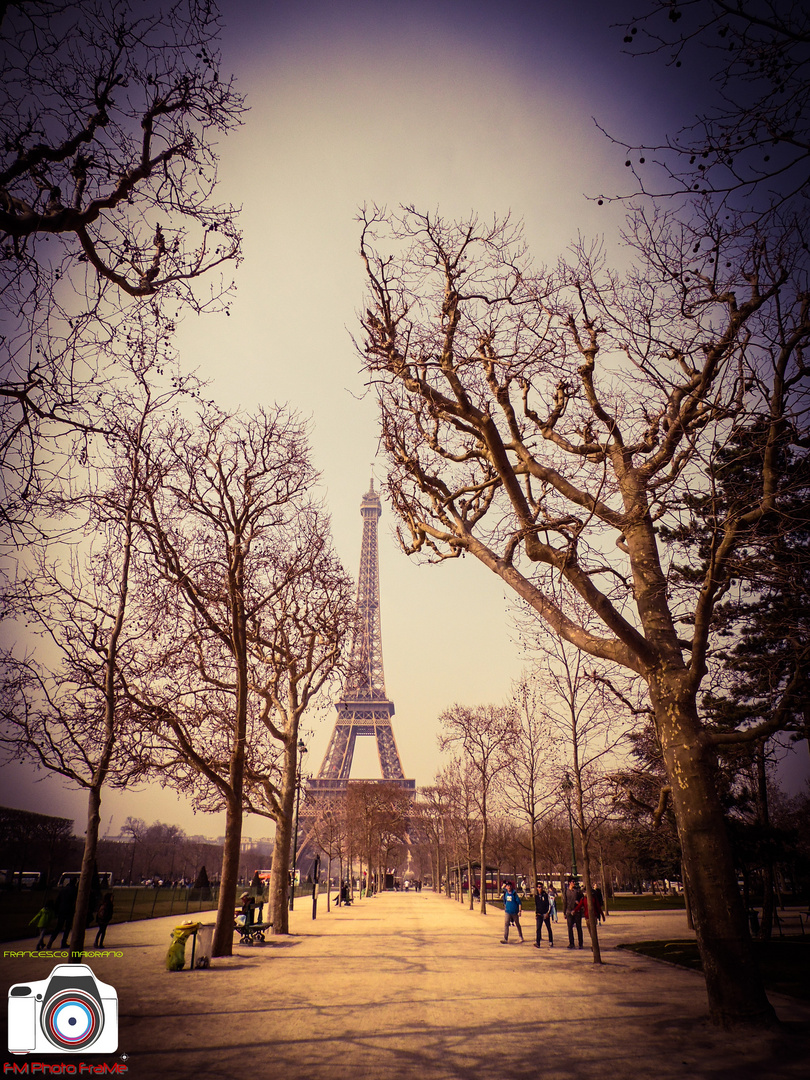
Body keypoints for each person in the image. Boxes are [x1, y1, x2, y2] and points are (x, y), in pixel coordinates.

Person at [47, 878, 77, 950]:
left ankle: (51, 941)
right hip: (69, 910)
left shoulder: (63, 890)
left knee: (58, 926)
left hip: (62, 910)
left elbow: (58, 900)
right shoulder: (74, 890)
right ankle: (63, 942)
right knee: (67, 927)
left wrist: (56, 910)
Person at [564, 879, 585, 949]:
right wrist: (564, 912)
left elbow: (582, 899)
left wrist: (578, 902)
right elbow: (565, 902)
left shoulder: (577, 891)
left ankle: (580, 943)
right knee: (570, 928)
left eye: (574, 882)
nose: (574, 883)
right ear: (569, 883)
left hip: (577, 911)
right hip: (569, 911)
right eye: (573, 882)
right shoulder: (566, 891)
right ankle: (571, 943)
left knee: (579, 927)